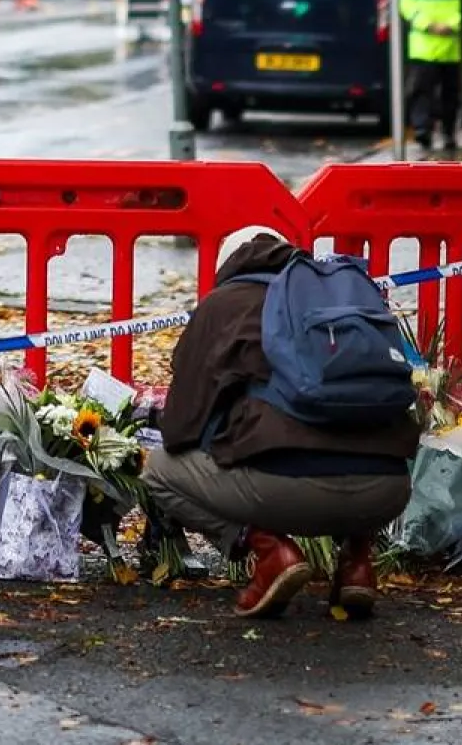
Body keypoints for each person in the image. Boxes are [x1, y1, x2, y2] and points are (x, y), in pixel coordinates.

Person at [140, 227, 418, 620]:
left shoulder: (223, 304)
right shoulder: (338, 298)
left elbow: (180, 430)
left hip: (283, 492)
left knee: (159, 471)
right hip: (387, 491)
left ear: (228, 264)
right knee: (353, 424)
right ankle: (357, 561)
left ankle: (270, 550)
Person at [398, 0, 462, 157]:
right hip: (424, 43)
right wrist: (426, 24)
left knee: (451, 93)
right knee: (421, 91)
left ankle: (448, 132)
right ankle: (423, 131)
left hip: (453, 43)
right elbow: (406, 1)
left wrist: (454, 24)